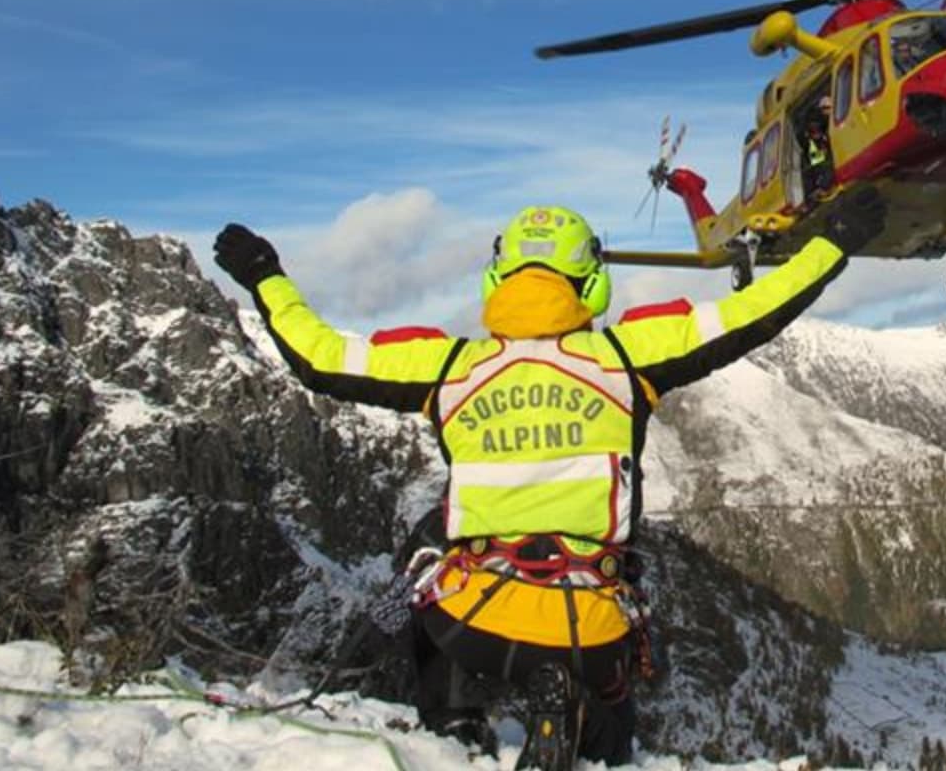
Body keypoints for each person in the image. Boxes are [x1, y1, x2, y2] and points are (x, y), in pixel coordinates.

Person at [212, 189, 885, 766]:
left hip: (473, 618)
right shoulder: (630, 354)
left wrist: (265, 274)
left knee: (426, 574)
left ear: (496, 280)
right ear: (590, 282)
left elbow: (318, 355)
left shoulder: (447, 367)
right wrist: (834, 240)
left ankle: (455, 727)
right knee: (610, 672)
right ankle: (596, 738)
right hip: (587, 627)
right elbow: (756, 312)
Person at [803, 96, 834, 204]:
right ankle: (821, 189)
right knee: (825, 166)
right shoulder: (813, 144)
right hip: (821, 169)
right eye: (825, 109)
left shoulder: (829, 126)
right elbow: (817, 161)